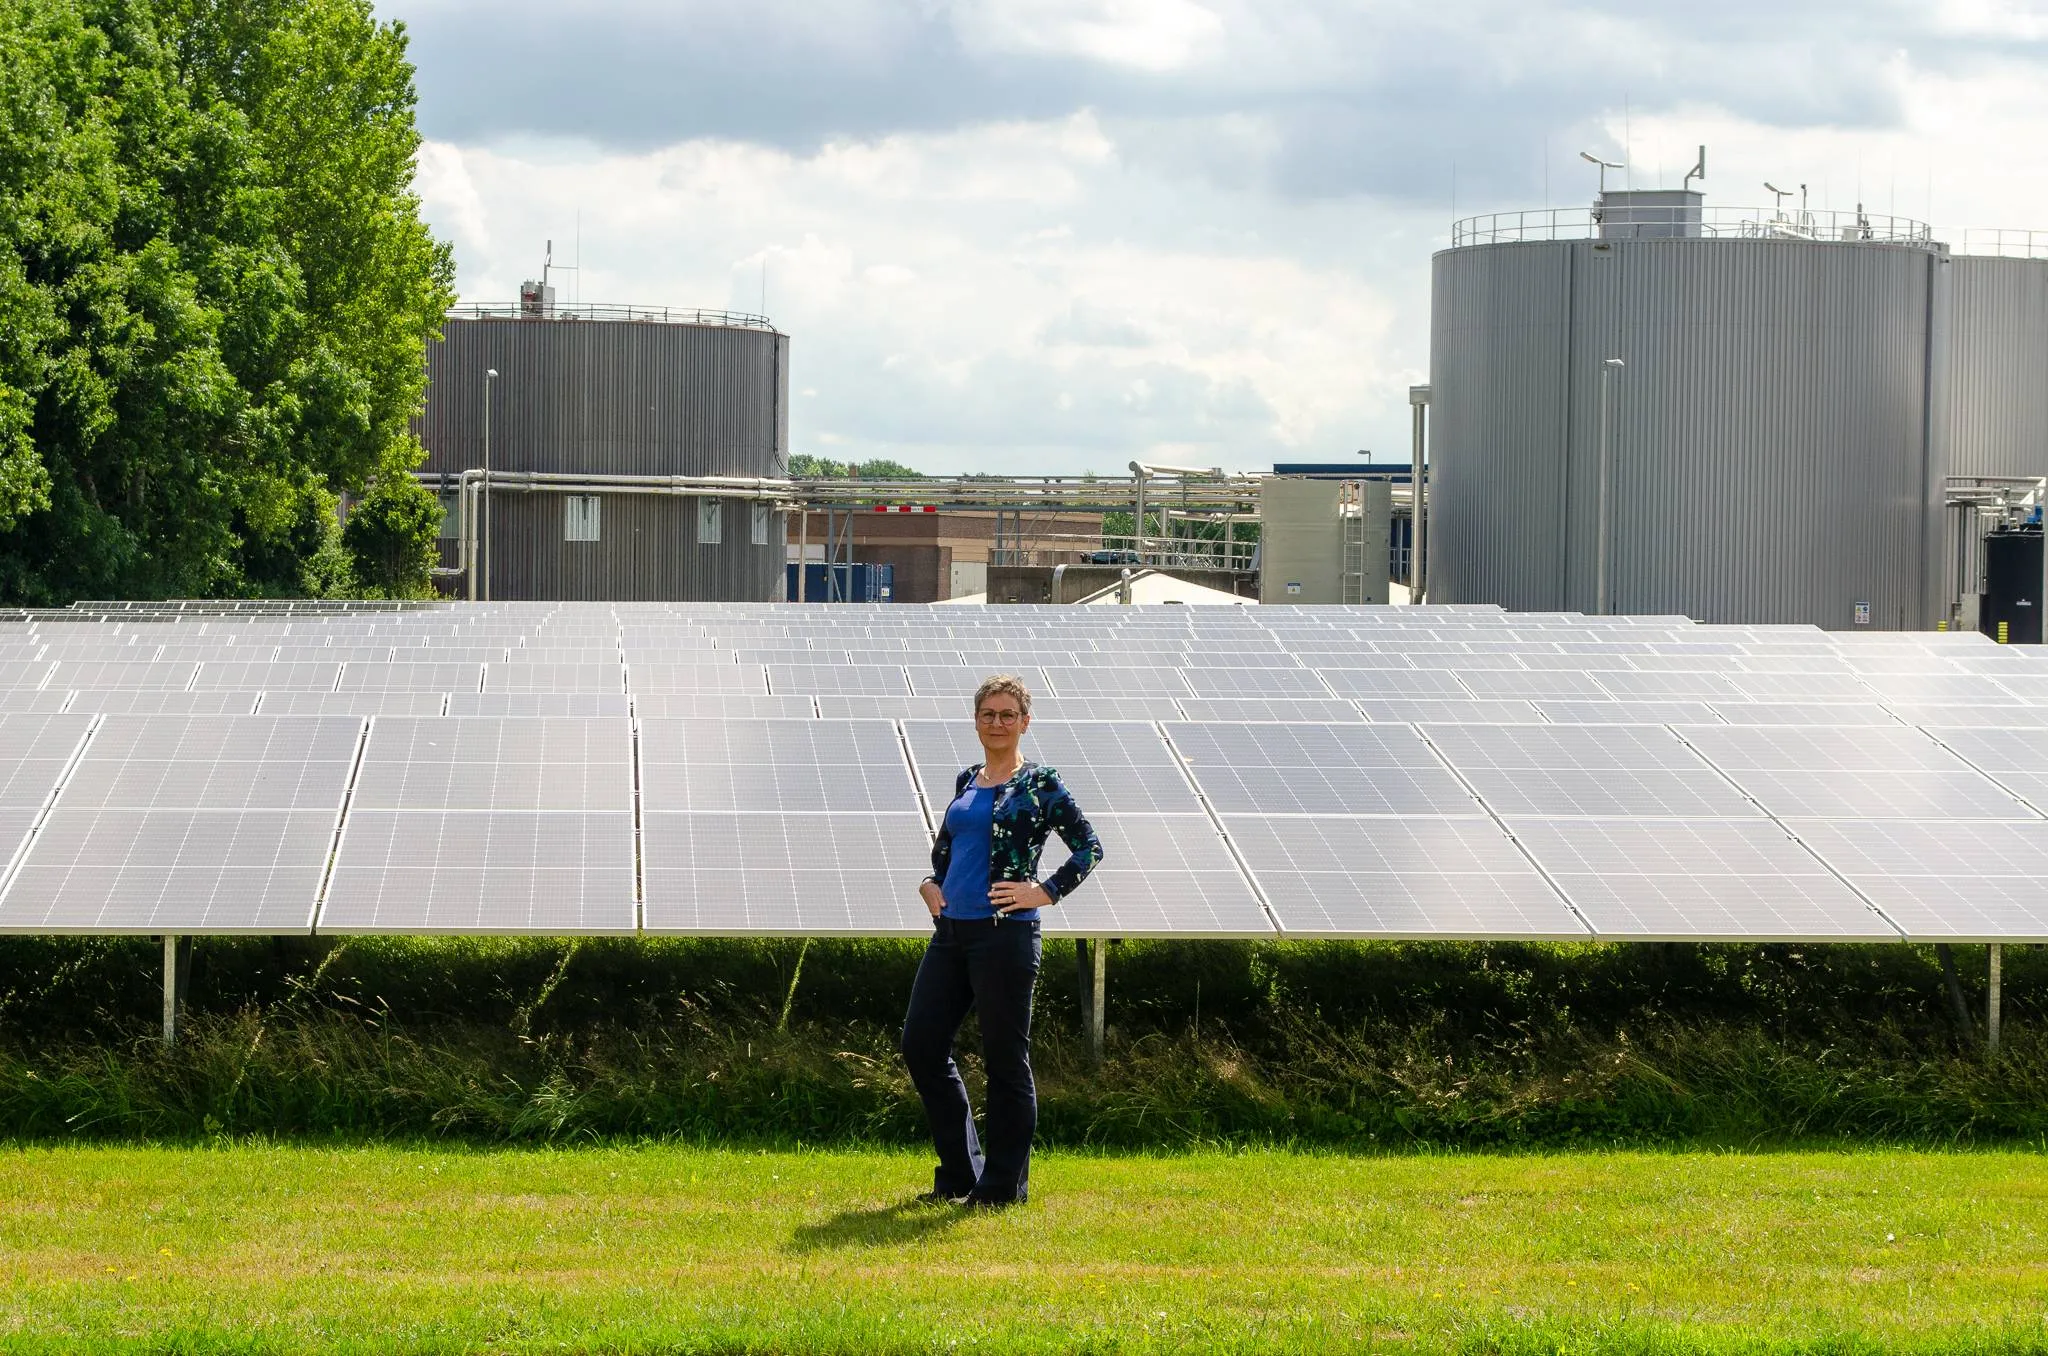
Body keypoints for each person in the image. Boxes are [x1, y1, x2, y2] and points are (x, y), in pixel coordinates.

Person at [900, 674, 1103, 1207]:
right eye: (988, 714)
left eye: (1007, 715)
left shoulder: (1040, 783)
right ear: (976, 721)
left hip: (1004, 937)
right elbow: (947, 850)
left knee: (1005, 1060)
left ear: (1025, 722)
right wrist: (929, 884)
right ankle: (963, 1174)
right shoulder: (967, 779)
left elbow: (1089, 846)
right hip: (951, 935)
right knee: (921, 1045)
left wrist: (1046, 891)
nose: (997, 723)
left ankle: (1001, 1189)